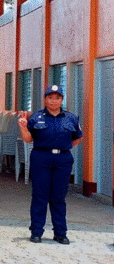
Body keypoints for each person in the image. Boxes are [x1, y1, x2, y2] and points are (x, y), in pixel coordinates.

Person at [17, 85, 83, 245]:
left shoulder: (71, 118)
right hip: (41, 157)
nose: (54, 101)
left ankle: (60, 233)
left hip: (63, 160)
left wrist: (62, 148)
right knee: (40, 196)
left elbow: (78, 137)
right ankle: (36, 232)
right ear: (45, 99)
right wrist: (23, 127)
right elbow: (28, 139)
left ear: (62, 99)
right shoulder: (36, 118)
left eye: (57, 98)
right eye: (50, 97)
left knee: (59, 197)